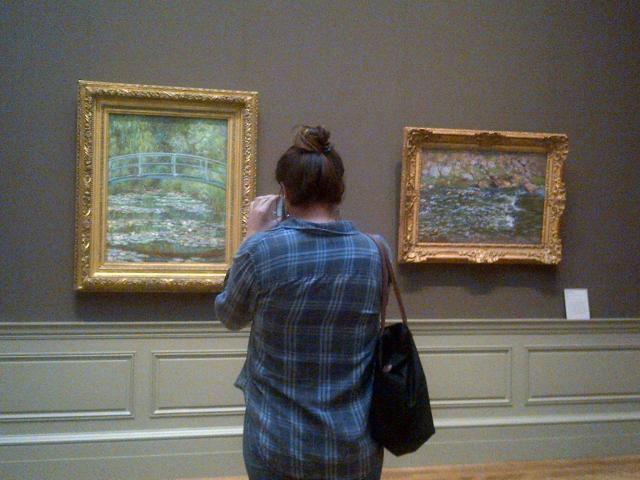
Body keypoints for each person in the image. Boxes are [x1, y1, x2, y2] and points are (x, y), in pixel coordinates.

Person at [215, 126, 388, 480]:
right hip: (354, 443)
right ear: (339, 190)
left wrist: (250, 237)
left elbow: (230, 315)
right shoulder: (375, 251)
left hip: (277, 441)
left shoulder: (260, 251)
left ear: (284, 191)